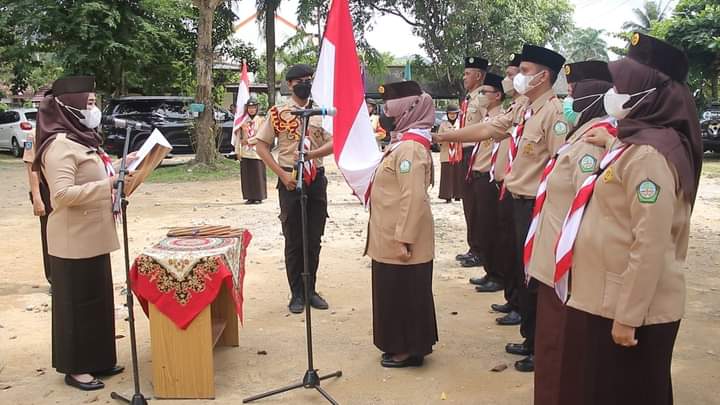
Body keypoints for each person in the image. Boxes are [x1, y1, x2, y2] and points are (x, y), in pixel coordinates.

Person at [558, 32, 702, 405]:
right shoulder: (636, 143)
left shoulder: (651, 156)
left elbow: (650, 242)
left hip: (625, 308)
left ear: (648, 93)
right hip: (603, 297)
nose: (613, 93)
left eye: (622, 85)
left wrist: (628, 316)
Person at [436, 45, 568, 371]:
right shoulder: (524, 106)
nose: (519, 78)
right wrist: (448, 136)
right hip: (514, 200)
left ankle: (540, 347)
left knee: (535, 277)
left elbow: (561, 166)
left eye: (524, 71)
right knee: (519, 271)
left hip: (535, 207)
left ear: (543, 76)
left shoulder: (555, 113)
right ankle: (528, 336)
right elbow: (491, 128)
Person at [32, 76, 130, 391]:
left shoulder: (82, 140)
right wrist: (108, 186)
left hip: (93, 235)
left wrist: (121, 166)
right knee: (76, 304)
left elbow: (92, 174)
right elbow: (61, 195)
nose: (95, 109)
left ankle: (99, 358)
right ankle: (76, 367)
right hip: (73, 239)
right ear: (69, 107)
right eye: (88, 104)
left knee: (97, 301)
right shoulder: (59, 145)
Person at [525, 60, 614, 405]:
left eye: (574, 91)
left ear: (593, 95)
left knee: (561, 354)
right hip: (553, 264)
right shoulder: (582, 134)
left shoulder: (593, 143)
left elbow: (589, 209)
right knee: (551, 350)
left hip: (568, 272)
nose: (567, 98)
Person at [366, 81, 438, 368]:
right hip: (389, 234)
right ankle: (405, 343)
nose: (386, 113)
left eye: (390, 107)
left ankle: (408, 348)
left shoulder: (409, 148)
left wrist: (403, 238)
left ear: (410, 109)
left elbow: (414, 196)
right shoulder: (403, 142)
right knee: (396, 291)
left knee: (403, 292)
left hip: (400, 238)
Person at [252, 64, 334, 314]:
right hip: (289, 177)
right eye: (299, 80)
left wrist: (310, 155)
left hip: (315, 178)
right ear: (290, 84)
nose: (305, 83)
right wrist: (282, 174)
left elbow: (334, 142)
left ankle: (311, 290)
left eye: (308, 79)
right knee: (294, 239)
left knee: (314, 238)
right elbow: (261, 146)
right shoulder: (278, 112)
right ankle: (296, 293)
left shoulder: (321, 110)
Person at [464, 72, 506, 293]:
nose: (480, 95)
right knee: (482, 227)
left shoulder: (503, 118)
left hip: (490, 178)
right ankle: (490, 271)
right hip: (479, 175)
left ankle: (497, 275)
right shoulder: (488, 118)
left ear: (497, 95)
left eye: (484, 92)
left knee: (492, 230)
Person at [456, 56, 490, 269]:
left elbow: (489, 126)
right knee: (469, 203)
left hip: (477, 152)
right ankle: (473, 246)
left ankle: (481, 250)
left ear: (478, 75)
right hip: (464, 152)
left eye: (468, 73)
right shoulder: (469, 98)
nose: (464, 77)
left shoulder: (484, 97)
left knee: (478, 205)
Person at [22, 129, 53, 286]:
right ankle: (53, 279)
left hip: (62, 187)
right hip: (45, 190)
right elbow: (31, 166)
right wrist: (36, 197)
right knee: (49, 235)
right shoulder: (33, 135)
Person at [236, 98, 267, 204]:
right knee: (247, 174)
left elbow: (262, 135)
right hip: (245, 151)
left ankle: (259, 196)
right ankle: (249, 196)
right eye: (249, 108)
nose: (251, 110)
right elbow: (238, 136)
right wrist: (237, 150)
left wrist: (249, 141)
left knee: (257, 173)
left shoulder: (261, 120)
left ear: (257, 108)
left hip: (257, 150)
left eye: (253, 108)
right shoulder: (243, 121)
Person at [437, 104, 461, 202]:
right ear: (447, 114)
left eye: (454, 113)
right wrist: (445, 139)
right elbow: (439, 138)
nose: (452, 115)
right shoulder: (443, 125)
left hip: (457, 153)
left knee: (458, 173)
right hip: (446, 152)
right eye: (450, 113)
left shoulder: (460, 123)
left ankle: (458, 194)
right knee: (447, 174)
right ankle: (447, 195)